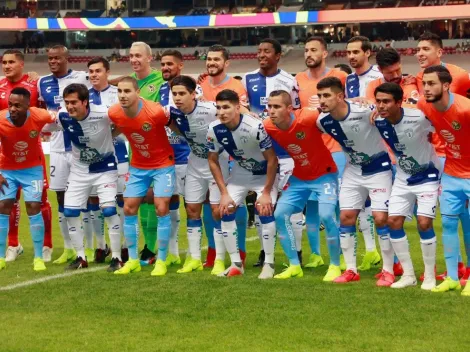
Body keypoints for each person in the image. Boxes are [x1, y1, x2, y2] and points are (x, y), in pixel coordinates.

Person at [316, 77, 394, 285]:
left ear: (340, 96)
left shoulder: (365, 110)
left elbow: (389, 113)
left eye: (327, 95)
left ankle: (388, 269)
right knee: (346, 216)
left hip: (379, 168)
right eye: (320, 96)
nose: (321, 100)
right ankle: (351, 269)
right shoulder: (322, 121)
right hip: (353, 170)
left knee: (380, 218)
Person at [264, 90, 340, 280]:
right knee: (280, 214)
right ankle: (294, 265)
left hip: (325, 175)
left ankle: (335, 265)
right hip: (299, 177)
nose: (271, 111)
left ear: (289, 108)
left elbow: (336, 110)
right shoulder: (267, 126)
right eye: (269, 106)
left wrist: (363, 104)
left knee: (327, 215)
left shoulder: (308, 117)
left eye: (277, 106)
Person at [242, 38, 304, 268]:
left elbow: (296, 114)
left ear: (278, 55)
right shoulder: (247, 79)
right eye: (259, 51)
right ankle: (263, 252)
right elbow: (242, 109)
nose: (261, 55)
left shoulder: (289, 80)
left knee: (290, 205)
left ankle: (297, 252)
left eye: (267, 51)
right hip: (259, 153)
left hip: (285, 153)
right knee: (262, 204)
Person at [48, 84, 122, 272]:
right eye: (67, 103)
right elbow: (42, 124)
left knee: (109, 210)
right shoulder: (62, 116)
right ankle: (81, 257)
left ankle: (116, 257)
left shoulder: (104, 113)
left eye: (74, 102)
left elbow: (124, 122)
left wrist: (111, 135)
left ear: (85, 101)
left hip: (105, 168)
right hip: (79, 170)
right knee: (70, 212)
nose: (70, 106)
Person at [374, 82, 439, 290]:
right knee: (393, 221)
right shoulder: (377, 120)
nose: (381, 106)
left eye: (386, 102)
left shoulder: (418, 117)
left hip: (428, 175)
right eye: (378, 101)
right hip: (402, 178)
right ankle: (408, 274)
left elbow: (440, 126)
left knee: (424, 224)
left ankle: (430, 276)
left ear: (399, 102)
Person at [415, 32, 470, 281]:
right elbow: (408, 115)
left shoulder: (465, 109)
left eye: (432, 84)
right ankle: (451, 277)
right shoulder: (424, 105)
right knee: (447, 224)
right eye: (424, 84)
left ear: (446, 85)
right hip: (450, 173)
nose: (426, 89)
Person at [207, 89, 278, 278]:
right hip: (240, 174)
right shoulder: (214, 129)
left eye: (226, 107)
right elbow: (212, 160)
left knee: (265, 210)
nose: (221, 112)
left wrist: (266, 192)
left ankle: (269, 264)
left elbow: (272, 160)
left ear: (238, 107)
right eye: (219, 107)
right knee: (225, 210)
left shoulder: (255, 126)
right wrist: (223, 193)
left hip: (263, 175)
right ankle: (236, 264)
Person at [108, 77, 175, 276]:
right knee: (128, 208)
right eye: (119, 91)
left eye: (127, 91)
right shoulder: (114, 112)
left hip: (163, 164)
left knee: (161, 208)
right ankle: (134, 260)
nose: (122, 95)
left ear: (138, 92)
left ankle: (161, 260)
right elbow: (120, 126)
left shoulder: (154, 111)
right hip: (138, 166)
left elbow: (173, 127)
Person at [295, 36, 348, 269]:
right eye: (306, 50)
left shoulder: (340, 77)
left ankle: (343, 255)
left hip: (336, 149)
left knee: (337, 204)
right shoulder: (296, 80)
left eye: (314, 50)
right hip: (311, 152)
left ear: (325, 53)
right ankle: (315, 254)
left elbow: (354, 101)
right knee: (312, 206)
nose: (309, 54)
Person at [168, 75, 229, 275]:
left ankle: (220, 260)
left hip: (217, 164)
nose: (177, 97)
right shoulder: (173, 113)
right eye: (174, 93)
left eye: (182, 93)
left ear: (193, 94)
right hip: (194, 163)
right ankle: (194, 258)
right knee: (192, 209)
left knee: (216, 211)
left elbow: (235, 115)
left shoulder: (210, 109)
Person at [37, 45, 91, 265]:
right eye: (50, 58)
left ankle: (88, 245)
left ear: (67, 59)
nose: (53, 61)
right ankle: (69, 248)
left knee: (86, 197)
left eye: (57, 58)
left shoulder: (82, 78)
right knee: (60, 196)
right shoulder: (42, 82)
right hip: (58, 147)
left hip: (81, 145)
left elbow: (101, 85)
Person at [0, 49, 52, 263]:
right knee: (8, 202)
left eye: (11, 62)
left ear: (21, 63)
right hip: (7, 155)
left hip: (33, 153)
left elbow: (47, 111)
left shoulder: (35, 84)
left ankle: (47, 245)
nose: (7, 66)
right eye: (4, 62)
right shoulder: (0, 87)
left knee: (40, 201)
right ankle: (13, 244)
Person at [199, 44, 249, 267]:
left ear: (226, 63)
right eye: (209, 59)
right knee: (209, 205)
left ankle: (241, 250)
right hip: (207, 151)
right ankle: (213, 250)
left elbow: (244, 113)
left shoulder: (236, 85)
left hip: (232, 152)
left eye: (216, 59)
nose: (211, 63)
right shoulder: (200, 84)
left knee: (234, 202)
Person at [344, 35, 383, 271]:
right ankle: (371, 251)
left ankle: (393, 261)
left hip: (378, 145)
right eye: (348, 52)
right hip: (355, 145)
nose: (351, 56)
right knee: (361, 201)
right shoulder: (348, 79)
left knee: (380, 206)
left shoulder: (378, 77)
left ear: (367, 52)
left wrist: (366, 102)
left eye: (355, 52)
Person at [87, 57, 129, 263]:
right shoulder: (83, 96)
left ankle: (123, 245)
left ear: (107, 72)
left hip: (119, 154)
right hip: (93, 160)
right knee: (94, 202)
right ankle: (100, 245)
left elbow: (126, 120)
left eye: (98, 71)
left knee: (121, 201)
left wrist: (108, 135)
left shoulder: (117, 94)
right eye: (91, 72)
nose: (94, 75)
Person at [128, 42, 166, 265]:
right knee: (141, 199)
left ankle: (152, 248)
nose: (134, 59)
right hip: (137, 150)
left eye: (138, 56)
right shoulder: (129, 83)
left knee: (154, 199)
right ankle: (149, 247)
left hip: (159, 150)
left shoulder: (161, 80)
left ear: (149, 58)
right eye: (131, 56)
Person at [158, 49, 191, 267]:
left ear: (180, 66)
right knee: (170, 204)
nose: (165, 68)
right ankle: (173, 252)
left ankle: (194, 253)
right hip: (166, 159)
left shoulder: (189, 88)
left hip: (187, 158)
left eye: (169, 64)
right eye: (162, 64)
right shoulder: (161, 89)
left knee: (193, 206)